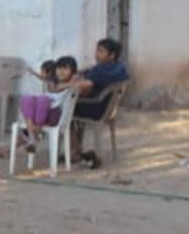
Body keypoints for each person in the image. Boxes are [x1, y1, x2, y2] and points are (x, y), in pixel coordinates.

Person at [72, 37, 130, 167]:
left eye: (100, 51)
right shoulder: (119, 68)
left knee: (64, 110)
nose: (96, 54)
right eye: (96, 50)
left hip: (95, 107)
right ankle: (76, 150)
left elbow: (86, 84)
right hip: (109, 109)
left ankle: (75, 152)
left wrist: (67, 85)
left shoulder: (100, 70)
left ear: (111, 55)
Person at [17, 57, 78, 152]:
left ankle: (35, 135)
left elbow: (59, 87)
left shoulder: (72, 85)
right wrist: (33, 72)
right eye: (59, 68)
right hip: (41, 114)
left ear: (72, 72)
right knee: (26, 99)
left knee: (43, 99)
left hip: (56, 115)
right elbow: (52, 85)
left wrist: (71, 81)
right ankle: (32, 137)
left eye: (66, 68)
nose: (61, 71)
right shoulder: (52, 82)